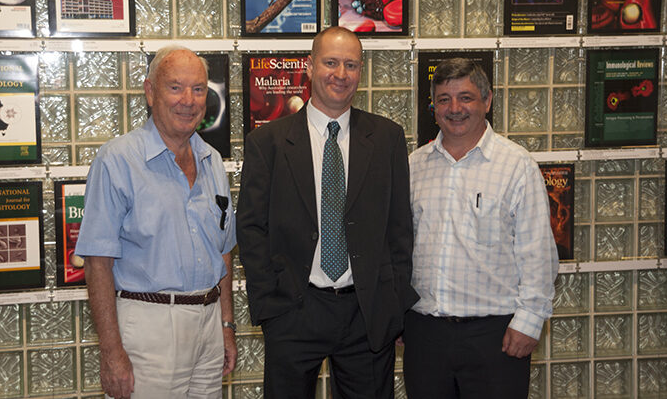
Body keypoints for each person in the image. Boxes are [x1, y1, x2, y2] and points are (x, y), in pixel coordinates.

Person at [237, 26, 417, 399]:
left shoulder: (387, 138)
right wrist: (272, 304)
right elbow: (252, 228)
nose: (341, 74)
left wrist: (393, 303)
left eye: (351, 65)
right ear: (309, 66)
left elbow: (399, 228)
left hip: (365, 312)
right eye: (331, 62)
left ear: (361, 72)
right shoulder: (267, 143)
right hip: (294, 308)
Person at [75, 46, 237, 399]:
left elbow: (224, 254)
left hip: (209, 328)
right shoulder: (117, 160)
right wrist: (111, 351)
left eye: (198, 89)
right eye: (175, 87)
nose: (188, 100)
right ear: (150, 92)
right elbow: (97, 262)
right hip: (148, 329)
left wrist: (226, 326)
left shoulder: (212, 162)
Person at [404, 58, 558, 399]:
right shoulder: (414, 166)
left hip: (496, 336)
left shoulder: (517, 165)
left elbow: (537, 252)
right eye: (444, 99)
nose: (454, 108)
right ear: (434, 106)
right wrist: (396, 314)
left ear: (487, 101)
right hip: (424, 335)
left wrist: (530, 321)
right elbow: (400, 247)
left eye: (466, 97)